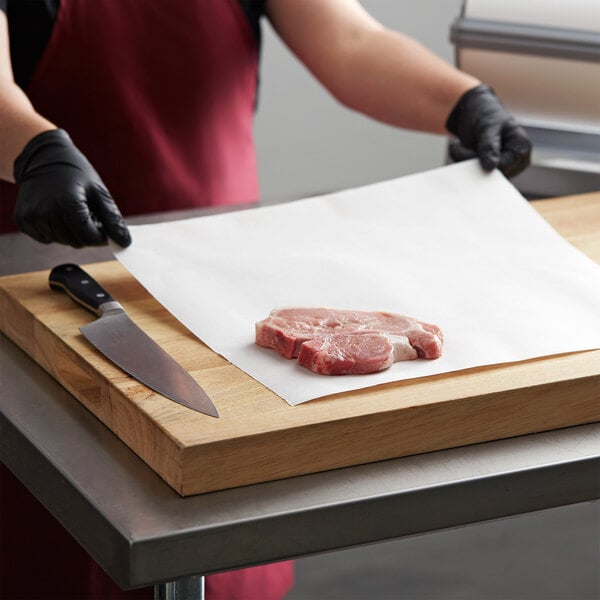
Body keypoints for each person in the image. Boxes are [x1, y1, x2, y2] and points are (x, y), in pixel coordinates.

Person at [0, 1, 531, 598]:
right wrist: (31, 147)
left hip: (217, 291)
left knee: (228, 533)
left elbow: (349, 43)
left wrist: (462, 102)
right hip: (49, 283)